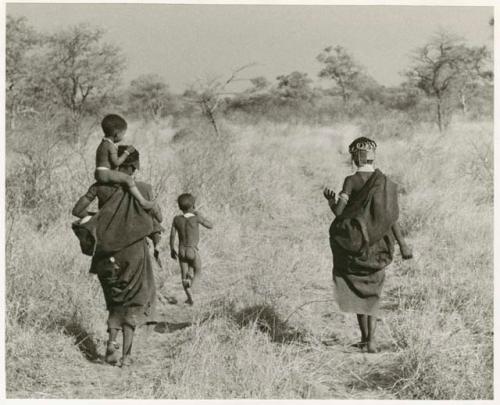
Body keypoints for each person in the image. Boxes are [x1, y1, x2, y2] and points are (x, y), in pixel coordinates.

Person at [72, 146, 163, 367]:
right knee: (132, 301)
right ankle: (126, 356)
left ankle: (110, 344)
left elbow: (77, 211)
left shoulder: (100, 188)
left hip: (105, 254)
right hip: (134, 254)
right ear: (135, 167)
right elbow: (157, 218)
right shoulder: (144, 189)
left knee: (114, 300)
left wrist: (101, 219)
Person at [324, 137, 412, 353]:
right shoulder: (386, 183)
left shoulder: (351, 181)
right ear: (373, 156)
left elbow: (339, 213)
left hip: (354, 248)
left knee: (357, 293)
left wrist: (330, 201)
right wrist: (403, 246)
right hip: (379, 248)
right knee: (373, 294)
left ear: (354, 157)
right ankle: (369, 340)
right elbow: (391, 219)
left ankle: (366, 340)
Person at [95, 114, 156, 211]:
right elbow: (116, 163)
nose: (123, 136)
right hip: (105, 173)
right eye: (123, 134)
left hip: (98, 173)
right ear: (116, 134)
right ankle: (142, 201)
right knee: (128, 179)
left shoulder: (102, 144)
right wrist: (126, 152)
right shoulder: (111, 146)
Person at [169, 193, 213, 305]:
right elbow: (210, 225)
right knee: (198, 269)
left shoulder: (176, 219)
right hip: (192, 250)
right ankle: (192, 290)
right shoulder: (196, 217)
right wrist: (200, 215)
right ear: (193, 205)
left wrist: (171, 249)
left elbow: (172, 236)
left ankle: (189, 297)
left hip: (181, 251)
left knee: (184, 275)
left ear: (179, 207)